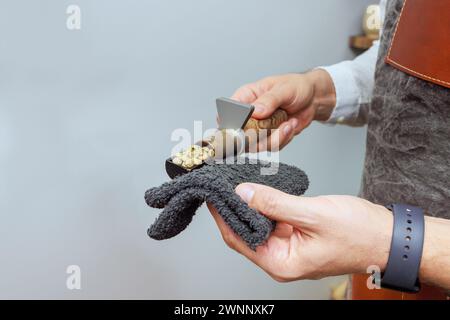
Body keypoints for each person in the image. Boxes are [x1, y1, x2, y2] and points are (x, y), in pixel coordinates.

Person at [208, 0, 450, 299]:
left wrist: (392, 243)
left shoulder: (381, 242)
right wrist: (319, 90)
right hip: (374, 267)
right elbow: (402, 58)